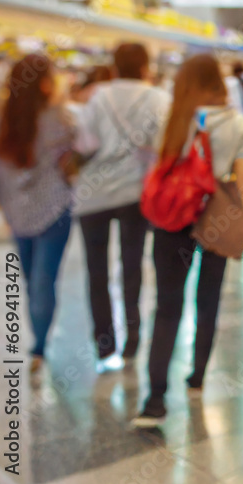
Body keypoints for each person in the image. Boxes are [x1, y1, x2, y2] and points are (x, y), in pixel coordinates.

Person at [133, 54, 243, 427]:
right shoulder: (237, 123)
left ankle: (154, 400)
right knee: (209, 299)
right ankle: (197, 378)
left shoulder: (173, 121)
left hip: (173, 220)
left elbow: (156, 167)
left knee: (167, 307)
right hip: (216, 216)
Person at [76, 43, 170, 366]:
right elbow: (165, 146)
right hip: (135, 194)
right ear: (145, 66)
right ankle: (132, 338)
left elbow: (84, 143)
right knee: (132, 266)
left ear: (114, 67)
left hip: (94, 195)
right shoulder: (158, 98)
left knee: (96, 270)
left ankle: (104, 343)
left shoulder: (98, 96)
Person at [0, 55, 76, 372]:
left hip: (19, 213)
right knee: (42, 280)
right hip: (54, 210)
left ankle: (39, 345)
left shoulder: (0, 124)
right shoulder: (60, 119)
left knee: (33, 280)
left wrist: (2, 204)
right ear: (44, 83)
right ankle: (39, 344)